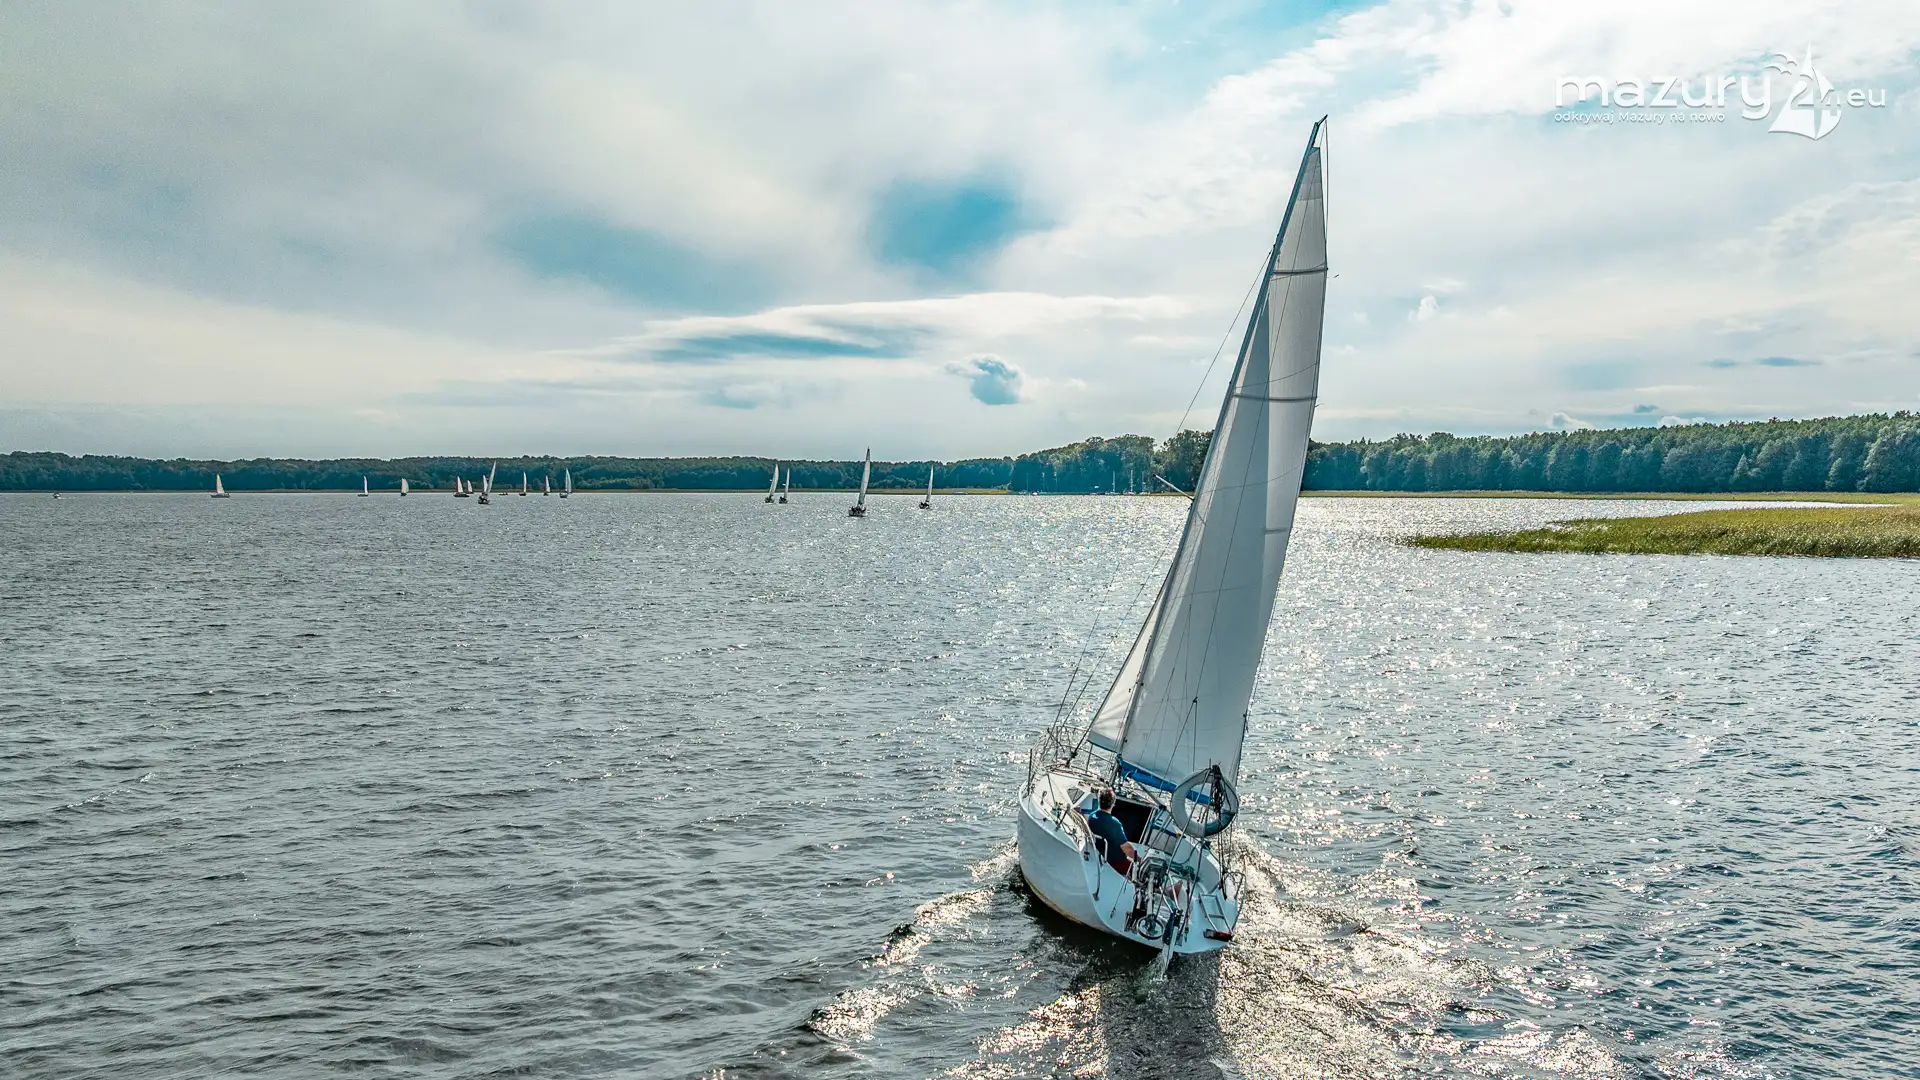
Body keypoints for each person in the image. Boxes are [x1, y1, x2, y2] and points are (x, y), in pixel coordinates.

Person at [1084, 789, 1137, 875]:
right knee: (1137, 870)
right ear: (1113, 804)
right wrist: (1140, 860)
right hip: (1115, 863)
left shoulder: (1091, 817)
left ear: (1098, 800)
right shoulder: (1114, 823)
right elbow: (1127, 849)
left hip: (1099, 856)